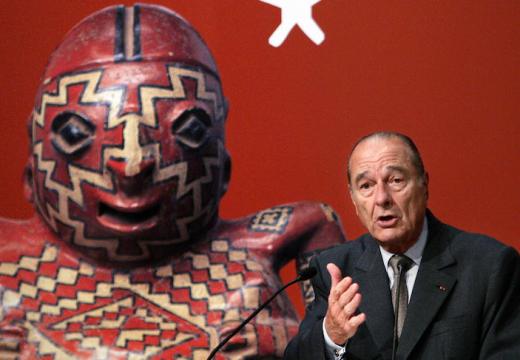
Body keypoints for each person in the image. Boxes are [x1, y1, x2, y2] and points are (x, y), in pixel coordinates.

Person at [0, 4, 346, 359]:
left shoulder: (247, 267)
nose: (131, 166)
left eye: (188, 131)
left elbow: (317, 225)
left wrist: (308, 342)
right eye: (75, 134)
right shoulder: (9, 269)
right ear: (31, 172)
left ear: (223, 168)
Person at [285, 131, 520, 360]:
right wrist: (332, 335)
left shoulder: (489, 267)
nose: (381, 198)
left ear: (424, 184)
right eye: (366, 186)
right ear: (354, 200)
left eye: (396, 180)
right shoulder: (334, 270)